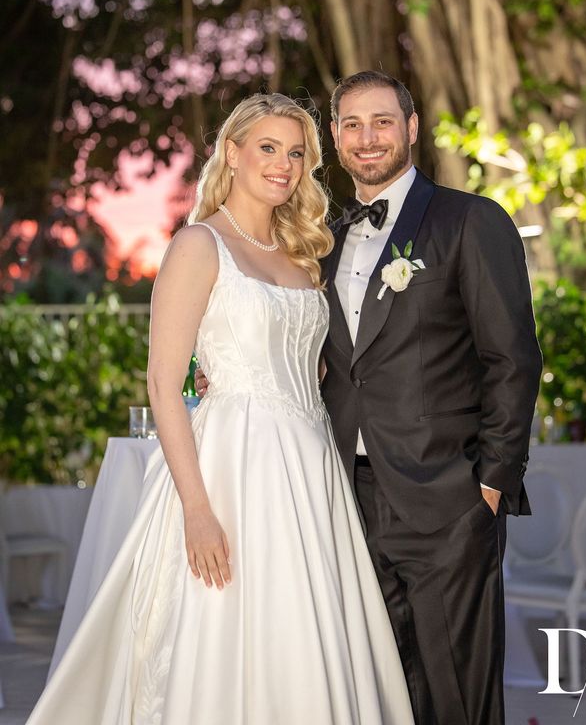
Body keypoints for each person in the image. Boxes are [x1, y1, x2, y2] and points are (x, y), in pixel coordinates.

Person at [27, 93, 415, 725]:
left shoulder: (303, 255)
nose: (284, 165)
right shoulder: (198, 244)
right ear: (231, 153)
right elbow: (163, 384)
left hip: (311, 469)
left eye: (296, 154)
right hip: (233, 467)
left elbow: (314, 366)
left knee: (306, 633)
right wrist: (198, 511)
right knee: (227, 626)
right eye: (268, 148)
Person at [321, 71, 542, 725]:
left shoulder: (470, 220)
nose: (367, 137)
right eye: (353, 124)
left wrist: (492, 483)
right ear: (334, 135)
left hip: (449, 497)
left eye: (382, 121)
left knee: (457, 695)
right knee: (380, 691)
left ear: (412, 128)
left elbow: (513, 359)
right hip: (346, 498)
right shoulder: (321, 237)